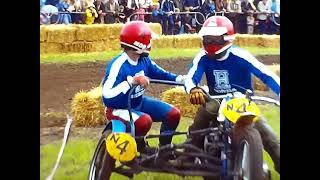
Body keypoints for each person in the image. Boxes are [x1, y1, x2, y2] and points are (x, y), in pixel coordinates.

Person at [183, 16, 280, 173]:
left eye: (215, 38)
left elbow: (267, 75)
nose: (210, 43)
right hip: (216, 100)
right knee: (202, 117)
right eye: (207, 38)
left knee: (269, 135)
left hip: (243, 102)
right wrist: (193, 89)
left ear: (227, 38)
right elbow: (190, 77)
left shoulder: (241, 56)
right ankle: (188, 155)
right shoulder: (203, 57)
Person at [102, 21, 186, 152]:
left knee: (173, 114)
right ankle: (140, 148)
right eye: (148, 40)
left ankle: (164, 150)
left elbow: (160, 73)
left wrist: (180, 79)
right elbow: (107, 96)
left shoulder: (144, 60)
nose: (150, 44)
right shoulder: (118, 65)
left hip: (138, 102)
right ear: (138, 44)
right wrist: (132, 82)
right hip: (118, 108)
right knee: (144, 121)